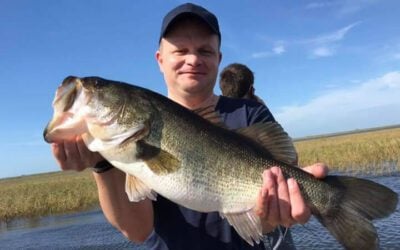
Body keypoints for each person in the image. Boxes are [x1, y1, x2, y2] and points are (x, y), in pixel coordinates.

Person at [51, 3, 328, 250]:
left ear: (219, 59)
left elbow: (266, 223)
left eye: (205, 51)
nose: (193, 59)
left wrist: (277, 212)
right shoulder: (121, 146)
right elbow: (137, 231)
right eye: (180, 50)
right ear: (160, 59)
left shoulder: (250, 113)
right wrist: (102, 164)